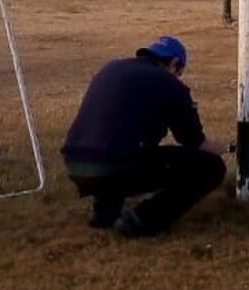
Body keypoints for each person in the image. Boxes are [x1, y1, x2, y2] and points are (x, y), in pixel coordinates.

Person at [61, 36, 227, 237]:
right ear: (175, 63)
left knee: (119, 145)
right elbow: (192, 141)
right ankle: (141, 221)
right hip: (115, 166)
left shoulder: (111, 68)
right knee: (211, 168)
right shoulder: (170, 84)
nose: (179, 76)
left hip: (75, 163)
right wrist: (216, 148)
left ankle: (104, 214)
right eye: (180, 72)